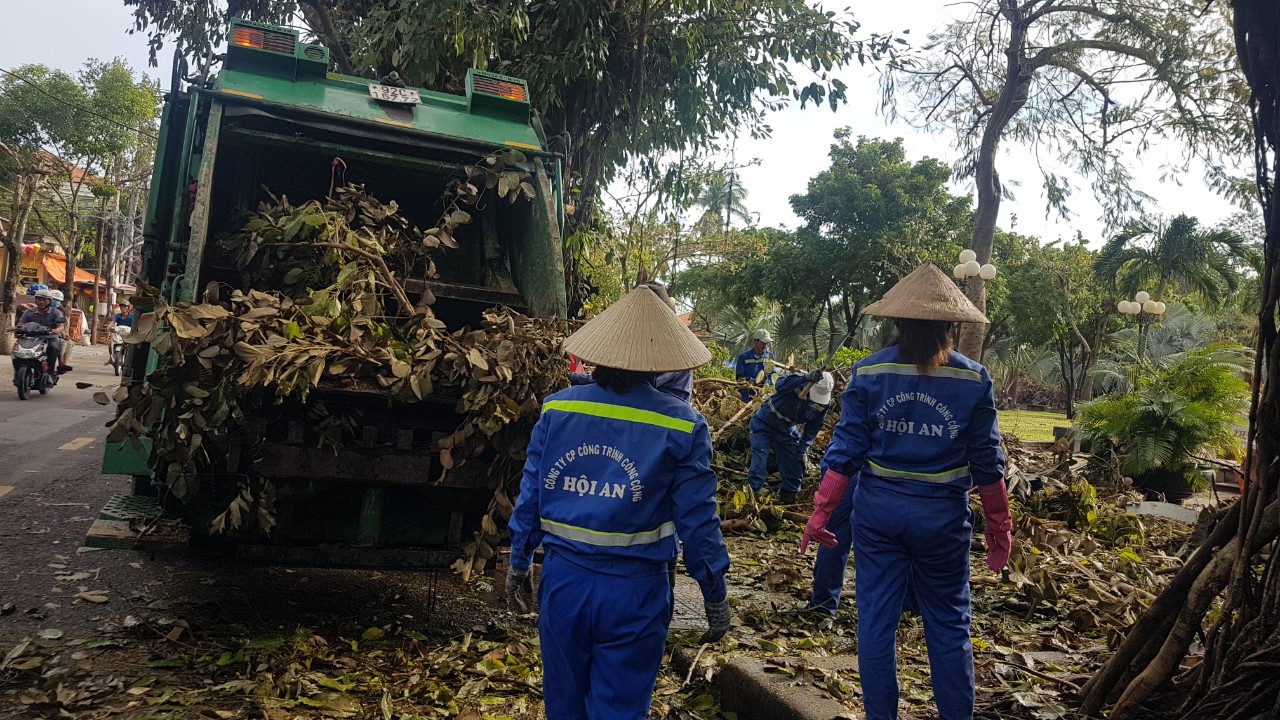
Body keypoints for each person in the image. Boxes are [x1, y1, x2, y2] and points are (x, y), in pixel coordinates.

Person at [506, 285, 731, 720]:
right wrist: (714, 592)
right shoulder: (683, 425)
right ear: (660, 359)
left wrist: (518, 560)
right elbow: (699, 521)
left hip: (563, 585)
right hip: (636, 594)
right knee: (620, 709)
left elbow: (531, 494)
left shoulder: (556, 411)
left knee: (564, 707)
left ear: (599, 352)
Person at [800, 263, 1012, 720]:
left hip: (878, 517)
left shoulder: (868, 372)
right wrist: (999, 525)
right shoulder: (974, 379)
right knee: (949, 626)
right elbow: (988, 462)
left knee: (876, 624)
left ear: (897, 322)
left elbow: (845, 451)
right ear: (951, 325)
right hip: (942, 521)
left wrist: (820, 514)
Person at [746, 370, 834, 503]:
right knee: (759, 463)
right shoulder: (797, 382)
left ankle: (788, 499)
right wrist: (803, 378)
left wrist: (803, 449)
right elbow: (779, 384)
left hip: (787, 429)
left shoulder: (821, 404)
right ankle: (751, 501)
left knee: (796, 463)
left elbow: (813, 427)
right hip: (765, 423)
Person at [17, 289, 68, 373]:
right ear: (35, 300)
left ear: (50, 301)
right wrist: (19, 328)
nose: (41, 302)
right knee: (17, 348)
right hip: (31, 337)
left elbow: (61, 326)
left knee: (53, 347)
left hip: (49, 337)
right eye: (39, 299)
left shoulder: (56, 312)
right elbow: (21, 323)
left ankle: (50, 372)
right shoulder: (28, 312)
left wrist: (56, 330)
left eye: (44, 300)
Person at [735, 328, 776, 401]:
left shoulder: (769, 356)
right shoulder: (743, 357)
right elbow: (740, 377)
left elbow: (773, 375)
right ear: (755, 341)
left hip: (764, 394)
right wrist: (752, 382)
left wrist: (767, 384)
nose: (765, 346)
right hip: (747, 394)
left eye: (767, 343)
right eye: (763, 343)